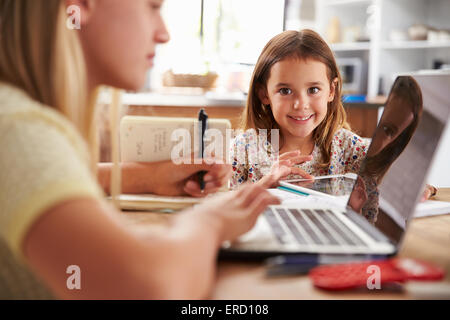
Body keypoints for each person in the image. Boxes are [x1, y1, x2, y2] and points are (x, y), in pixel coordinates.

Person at [0, 0, 285, 299]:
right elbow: (150, 290)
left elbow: (65, 177)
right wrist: (211, 221)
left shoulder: (19, 119)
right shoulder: (18, 128)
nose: (164, 34)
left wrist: (150, 176)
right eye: (151, 7)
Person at [230, 30, 370, 189]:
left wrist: (358, 210)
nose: (301, 104)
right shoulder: (243, 148)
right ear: (264, 94)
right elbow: (226, 211)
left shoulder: (354, 150)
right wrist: (263, 186)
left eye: (314, 90)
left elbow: (373, 209)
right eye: (285, 91)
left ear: (331, 90)